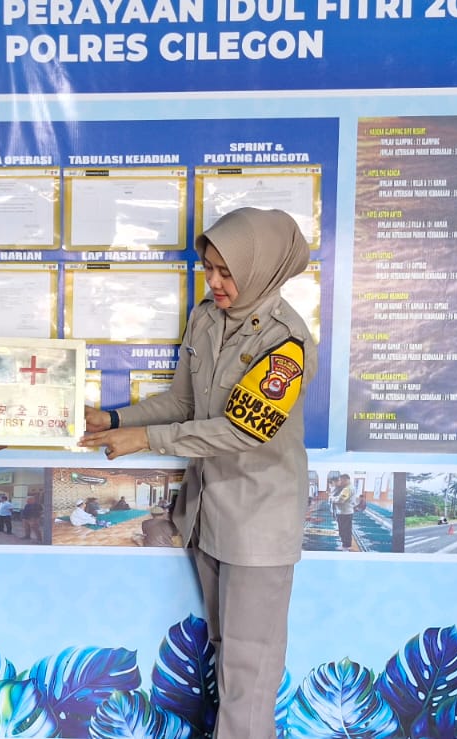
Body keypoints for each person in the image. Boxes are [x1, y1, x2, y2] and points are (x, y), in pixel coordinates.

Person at [80, 207, 311, 739]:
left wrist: (146, 440)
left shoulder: (286, 343)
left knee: (249, 670)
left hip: (259, 521)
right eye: (209, 269)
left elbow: (245, 429)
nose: (215, 282)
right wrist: (115, 420)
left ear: (260, 269)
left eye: (227, 272)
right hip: (208, 509)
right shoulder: (207, 318)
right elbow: (184, 402)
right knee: (226, 651)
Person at [331, 474, 355, 552]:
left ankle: (346, 546)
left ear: (345, 480)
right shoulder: (349, 487)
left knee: (345, 530)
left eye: (341, 480)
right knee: (345, 529)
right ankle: (346, 545)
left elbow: (340, 500)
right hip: (345, 512)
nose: (340, 482)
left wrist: (332, 499)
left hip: (345, 513)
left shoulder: (347, 489)